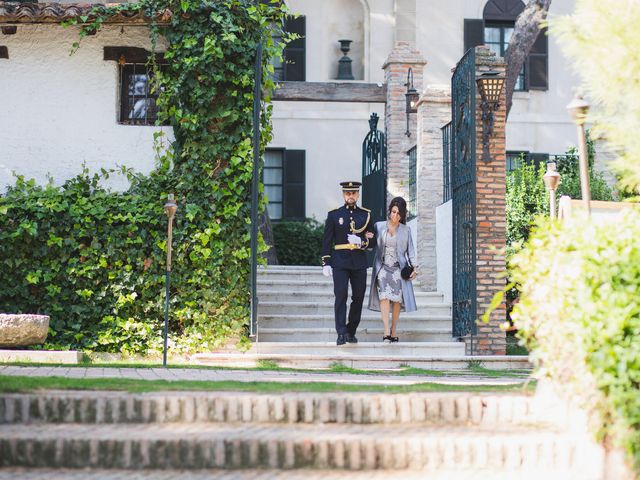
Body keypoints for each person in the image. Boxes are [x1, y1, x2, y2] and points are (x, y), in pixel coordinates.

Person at [321, 181, 375, 345]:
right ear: (343, 195)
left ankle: (351, 331)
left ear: (357, 195)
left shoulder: (365, 215)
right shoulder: (334, 215)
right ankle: (341, 332)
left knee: (358, 297)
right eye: (347, 193)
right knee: (341, 295)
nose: (350, 196)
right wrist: (326, 262)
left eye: (353, 193)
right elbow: (327, 240)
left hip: (358, 261)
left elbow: (372, 243)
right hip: (340, 262)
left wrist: (360, 242)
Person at [368, 196, 417, 342]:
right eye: (393, 212)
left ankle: (393, 330)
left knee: (396, 301)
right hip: (382, 267)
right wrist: (367, 238)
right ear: (390, 211)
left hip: (398, 269)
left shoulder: (406, 230)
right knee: (384, 297)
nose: (395, 216)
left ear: (402, 215)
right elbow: (370, 244)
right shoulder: (379, 226)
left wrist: (415, 268)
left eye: (398, 213)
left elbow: (411, 251)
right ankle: (385, 331)